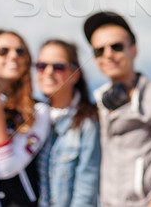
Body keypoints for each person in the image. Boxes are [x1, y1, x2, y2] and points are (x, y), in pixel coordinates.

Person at [83, 11, 151, 207]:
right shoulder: (96, 103)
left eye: (116, 47)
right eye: (99, 50)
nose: (108, 54)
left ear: (134, 50)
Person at [0, 29, 51, 206]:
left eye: (20, 51)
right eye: (3, 51)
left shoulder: (40, 111)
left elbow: (5, 167)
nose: (13, 56)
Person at [35, 39, 101, 207]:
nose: (48, 72)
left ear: (75, 74)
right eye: (42, 66)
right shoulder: (33, 118)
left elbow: (85, 192)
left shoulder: (87, 122)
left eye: (58, 67)